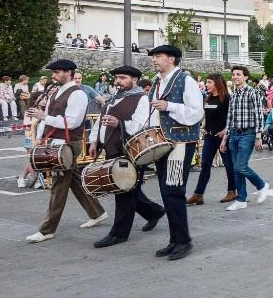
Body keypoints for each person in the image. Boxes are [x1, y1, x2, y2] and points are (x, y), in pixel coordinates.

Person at [24, 59, 108, 243]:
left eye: (57, 72)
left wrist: (44, 117)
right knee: (74, 179)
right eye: (53, 72)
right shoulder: (56, 91)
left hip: (69, 143)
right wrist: (39, 137)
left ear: (69, 73)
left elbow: (73, 122)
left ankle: (47, 230)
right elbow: (46, 118)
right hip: (56, 141)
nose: (53, 75)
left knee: (59, 186)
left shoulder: (78, 94)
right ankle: (97, 212)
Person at [89, 65, 167, 248]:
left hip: (130, 150)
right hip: (111, 149)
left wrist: (119, 123)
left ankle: (119, 233)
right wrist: (93, 141)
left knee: (124, 191)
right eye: (117, 78)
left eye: (123, 78)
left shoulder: (141, 99)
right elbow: (100, 121)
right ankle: (154, 212)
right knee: (128, 188)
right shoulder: (113, 98)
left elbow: (142, 125)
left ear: (135, 80)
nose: (118, 81)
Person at [147, 45, 204, 260]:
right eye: (154, 56)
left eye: (158, 56)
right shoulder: (157, 81)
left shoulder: (186, 80)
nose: (154, 60)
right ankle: (174, 240)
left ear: (171, 59)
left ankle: (183, 241)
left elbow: (196, 112)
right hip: (162, 143)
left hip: (180, 143)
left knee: (174, 191)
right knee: (166, 192)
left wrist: (169, 106)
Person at [222, 65, 269, 212]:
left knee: (240, 166)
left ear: (246, 77)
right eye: (233, 74)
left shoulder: (252, 92)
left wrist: (258, 136)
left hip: (248, 134)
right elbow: (230, 117)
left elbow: (259, 115)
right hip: (234, 134)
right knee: (236, 169)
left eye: (238, 74)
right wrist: (225, 138)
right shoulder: (233, 95)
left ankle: (262, 185)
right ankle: (241, 199)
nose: (235, 77)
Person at [187, 73, 236, 206]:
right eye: (206, 82)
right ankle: (198, 194)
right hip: (209, 136)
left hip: (222, 137)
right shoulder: (208, 98)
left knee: (228, 165)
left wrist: (225, 131)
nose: (206, 84)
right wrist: (203, 126)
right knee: (205, 165)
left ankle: (232, 191)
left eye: (209, 82)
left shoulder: (227, 98)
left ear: (217, 83)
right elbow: (207, 116)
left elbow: (231, 117)